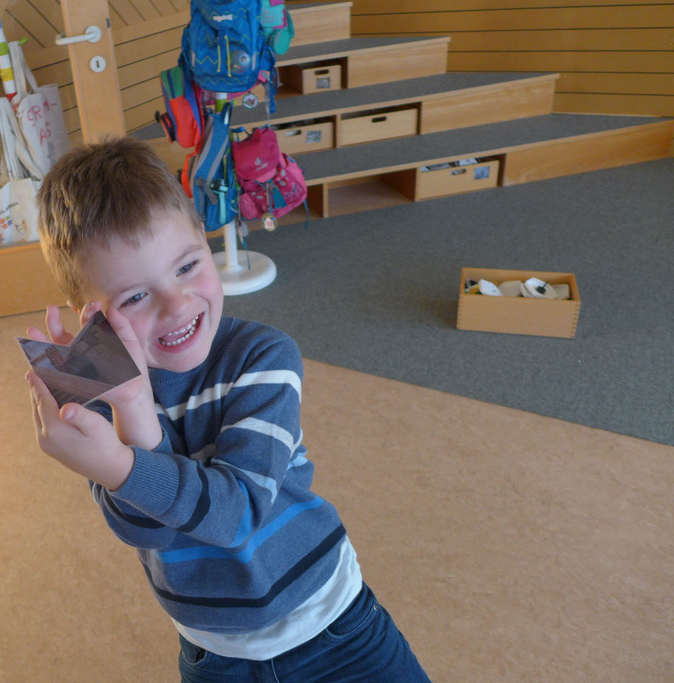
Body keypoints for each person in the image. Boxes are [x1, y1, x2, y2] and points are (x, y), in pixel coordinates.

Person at [24, 136, 430, 681]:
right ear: (91, 318)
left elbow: (236, 514)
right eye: (135, 297)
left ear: (206, 240)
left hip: (333, 626)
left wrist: (120, 463)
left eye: (188, 266)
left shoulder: (263, 356)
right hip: (215, 654)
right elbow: (146, 531)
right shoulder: (97, 389)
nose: (176, 304)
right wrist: (133, 404)